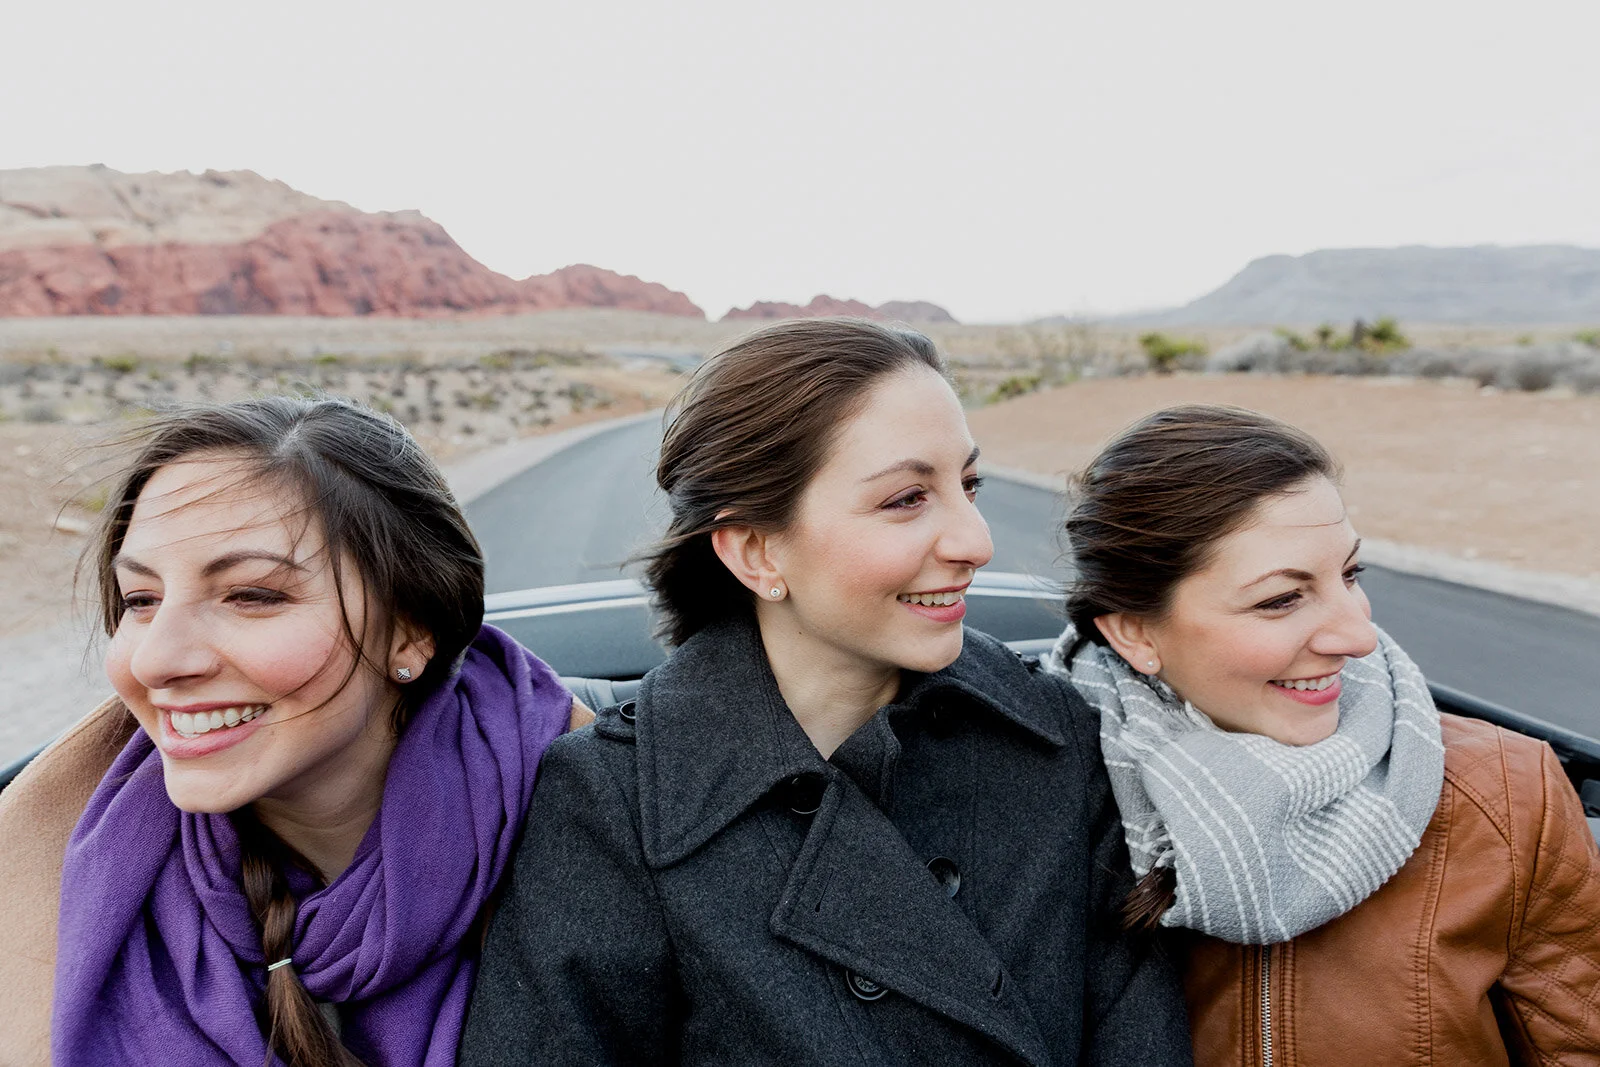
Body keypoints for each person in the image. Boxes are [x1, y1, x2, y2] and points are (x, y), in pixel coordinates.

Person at [461, 318, 1192, 1065]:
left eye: (967, 485)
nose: (975, 540)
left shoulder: (1059, 739)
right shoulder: (615, 805)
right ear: (755, 549)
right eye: (907, 498)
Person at [0, 395, 587, 1067]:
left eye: (251, 594)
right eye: (141, 600)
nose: (157, 659)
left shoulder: (618, 844)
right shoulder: (43, 878)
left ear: (411, 626)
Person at [1043, 403, 1600, 1064]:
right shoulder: (1039, 799)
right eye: (1281, 598)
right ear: (1134, 631)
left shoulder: (1507, 793)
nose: (1359, 635)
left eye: (1350, 574)